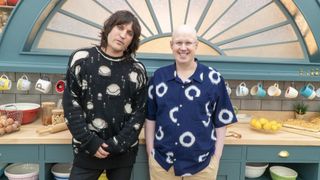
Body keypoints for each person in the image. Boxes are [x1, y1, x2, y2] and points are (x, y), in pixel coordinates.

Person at [63, 10, 147, 180]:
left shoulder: (137, 70)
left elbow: (140, 113)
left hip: (123, 154)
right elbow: (71, 104)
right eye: (120, 27)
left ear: (133, 39)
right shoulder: (82, 59)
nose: (123, 35)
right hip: (87, 151)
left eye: (129, 33)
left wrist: (117, 144)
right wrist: (90, 142)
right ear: (108, 28)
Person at [145, 25, 237, 180]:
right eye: (178, 43)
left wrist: (217, 157)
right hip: (163, 164)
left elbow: (221, 121)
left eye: (188, 43)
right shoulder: (158, 77)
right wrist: (150, 153)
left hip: (202, 166)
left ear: (196, 45)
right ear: (171, 45)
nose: (183, 48)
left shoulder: (213, 78)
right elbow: (150, 118)